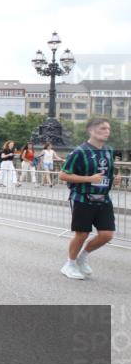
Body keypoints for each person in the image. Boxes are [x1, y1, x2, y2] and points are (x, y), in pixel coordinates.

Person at [59, 119, 120, 280]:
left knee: (107, 234)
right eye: (103, 128)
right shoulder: (79, 152)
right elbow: (63, 175)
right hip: (82, 198)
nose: (107, 131)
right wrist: (89, 179)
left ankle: (83, 256)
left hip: (103, 199)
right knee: (82, 234)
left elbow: (108, 174)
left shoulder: (109, 150)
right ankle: (69, 264)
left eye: (108, 128)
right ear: (91, 131)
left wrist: (115, 179)